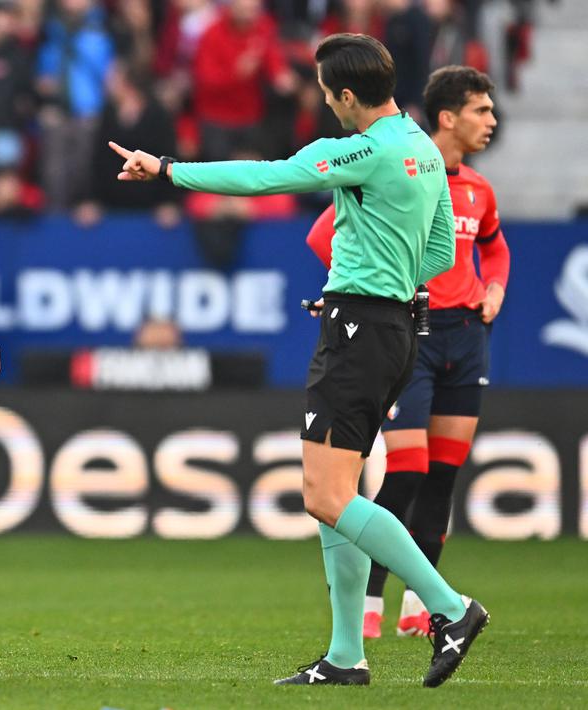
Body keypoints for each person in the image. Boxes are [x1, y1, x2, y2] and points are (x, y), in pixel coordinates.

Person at [110, 33, 488, 688]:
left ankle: (449, 608)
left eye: (325, 91)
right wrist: (373, 282)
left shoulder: (360, 150)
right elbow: (440, 255)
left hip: (360, 334)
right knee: (333, 493)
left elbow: (265, 177)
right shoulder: (424, 150)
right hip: (395, 328)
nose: (324, 101)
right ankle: (345, 656)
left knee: (325, 495)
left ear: (346, 94)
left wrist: (167, 169)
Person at [305, 65, 508, 639]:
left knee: (441, 474)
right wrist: (363, 285)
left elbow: (493, 250)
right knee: (408, 470)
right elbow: (322, 235)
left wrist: (494, 288)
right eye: (481, 109)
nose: (491, 120)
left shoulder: (477, 189)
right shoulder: (401, 164)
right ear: (448, 117)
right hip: (412, 330)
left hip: (461, 334)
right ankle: (375, 604)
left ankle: (422, 607)